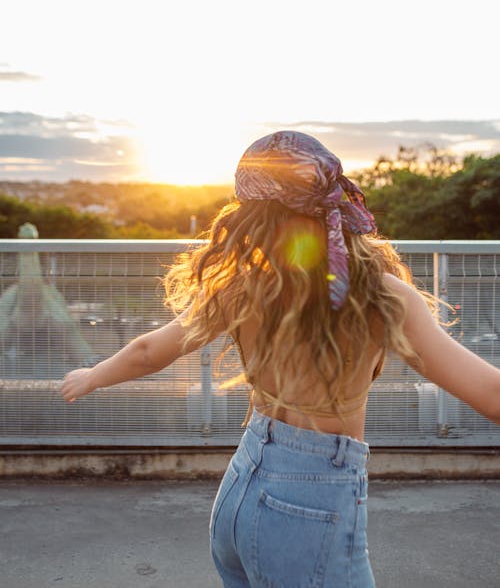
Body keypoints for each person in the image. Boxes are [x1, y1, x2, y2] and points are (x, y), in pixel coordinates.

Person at [60, 130, 500, 588]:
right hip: (311, 503)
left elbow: (150, 351)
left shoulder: (243, 286)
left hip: (241, 484)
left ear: (252, 213)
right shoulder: (383, 297)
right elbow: (491, 395)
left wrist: (92, 376)